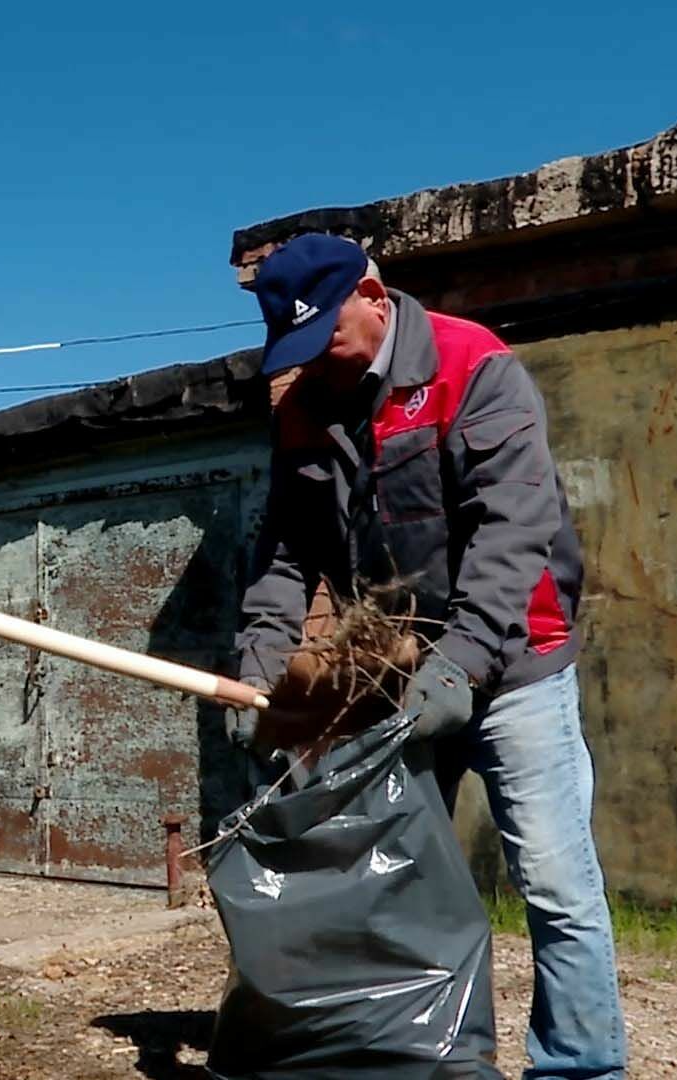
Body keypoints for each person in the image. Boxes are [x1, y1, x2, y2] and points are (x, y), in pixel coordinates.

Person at [232, 233, 627, 1078]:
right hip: (400, 676)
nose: (318, 367)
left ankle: (581, 1067)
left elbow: (511, 527)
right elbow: (286, 553)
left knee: (556, 884)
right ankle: (433, 1057)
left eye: (327, 341)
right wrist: (259, 661)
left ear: (375, 297)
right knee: (397, 878)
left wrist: (465, 658)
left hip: (519, 664)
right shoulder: (306, 403)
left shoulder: (471, 366)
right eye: (297, 352)